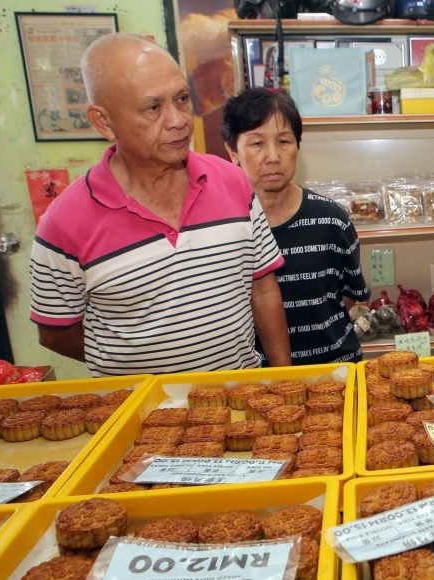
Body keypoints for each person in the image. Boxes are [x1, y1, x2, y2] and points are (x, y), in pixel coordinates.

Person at [29, 33, 291, 377]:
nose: (179, 120)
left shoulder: (233, 182)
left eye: (182, 99)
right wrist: (131, 365)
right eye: (154, 107)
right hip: (140, 418)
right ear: (104, 122)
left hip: (237, 406)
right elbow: (55, 332)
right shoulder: (63, 224)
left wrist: (281, 378)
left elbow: (263, 288)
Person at [221, 87, 370, 364]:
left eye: (284, 142)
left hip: (334, 372)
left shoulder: (331, 220)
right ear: (233, 151)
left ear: (298, 146)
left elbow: (351, 297)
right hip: (259, 382)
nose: (273, 156)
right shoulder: (223, 229)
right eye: (256, 144)